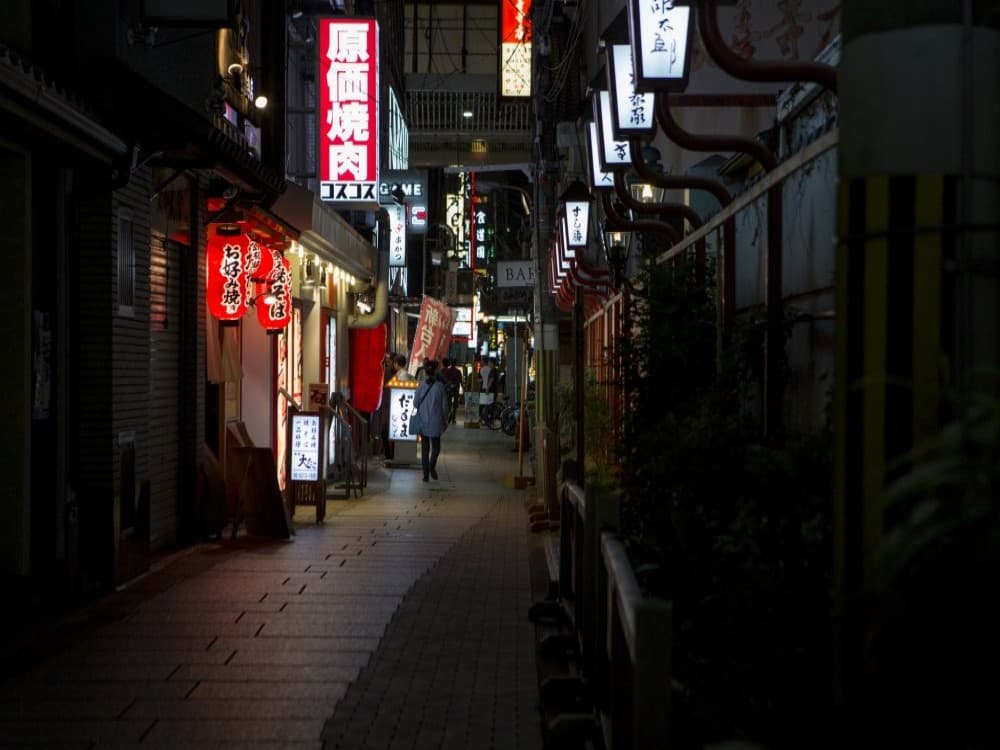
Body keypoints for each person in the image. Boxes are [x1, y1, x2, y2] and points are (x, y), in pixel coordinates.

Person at [413, 359, 450, 482]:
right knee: (436, 447)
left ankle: (425, 475)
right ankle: (431, 465)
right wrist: (445, 419)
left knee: (425, 448)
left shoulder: (421, 385)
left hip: (423, 421)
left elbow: (415, 403)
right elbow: (445, 406)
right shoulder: (440, 387)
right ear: (436, 371)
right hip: (436, 421)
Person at [441, 358, 464, 424]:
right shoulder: (458, 371)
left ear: (450, 363)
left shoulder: (447, 371)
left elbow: (445, 380)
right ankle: (453, 418)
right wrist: (463, 389)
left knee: (449, 404)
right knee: (455, 405)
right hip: (456, 389)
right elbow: (460, 381)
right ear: (455, 363)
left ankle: (448, 416)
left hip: (449, 389)